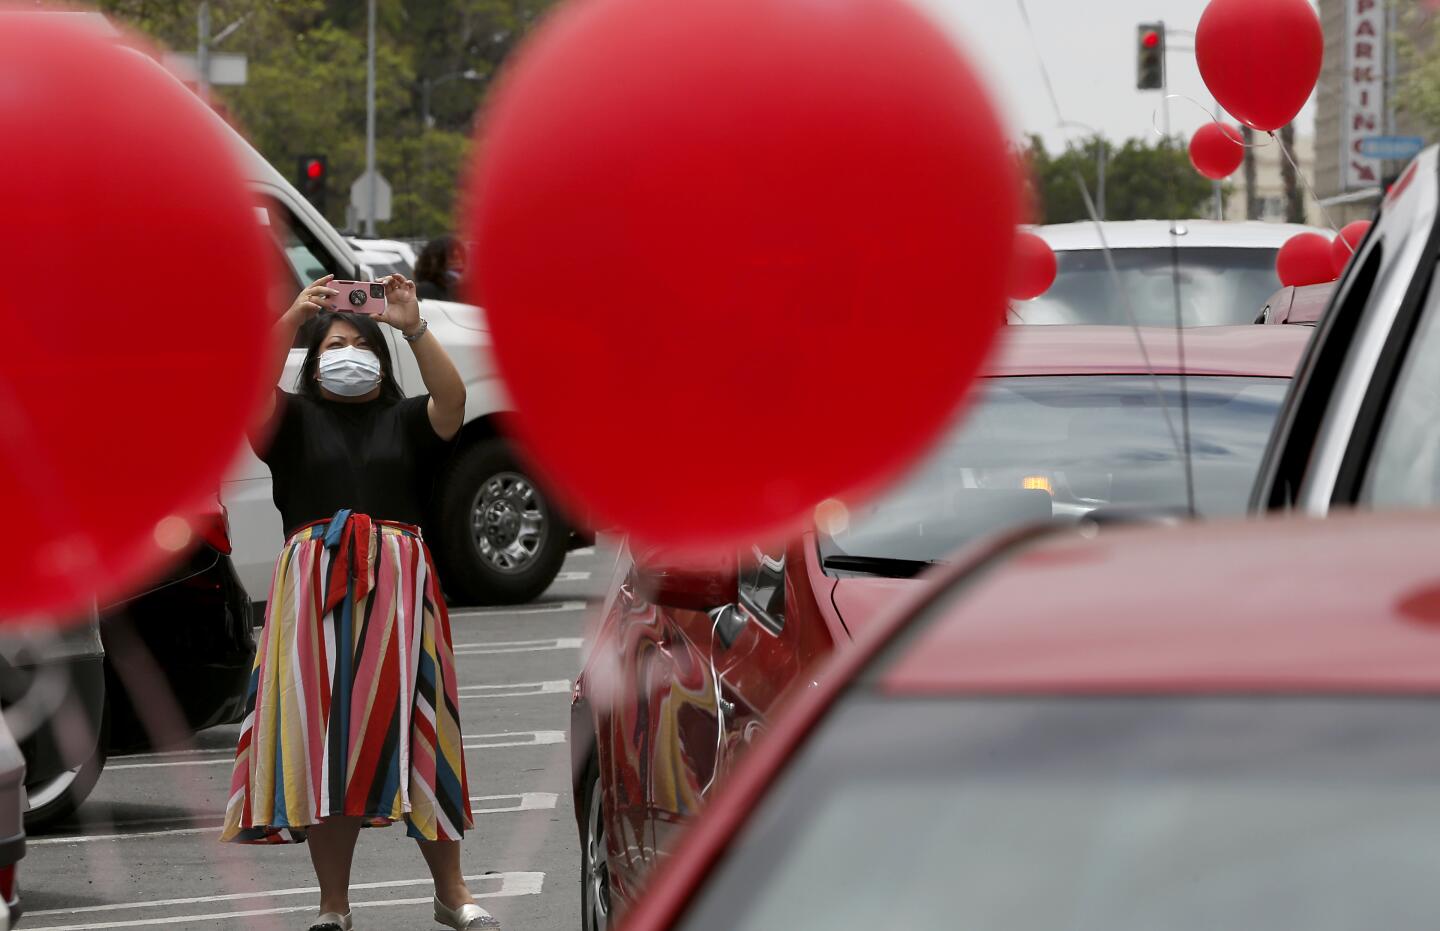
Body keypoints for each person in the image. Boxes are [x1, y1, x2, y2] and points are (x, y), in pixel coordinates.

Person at [221, 274, 499, 931]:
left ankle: (451, 891)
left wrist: (413, 325)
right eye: (334, 344)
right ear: (313, 362)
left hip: (400, 598)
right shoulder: (289, 421)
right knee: (327, 746)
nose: (348, 351)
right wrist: (293, 314)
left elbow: (453, 401)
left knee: (424, 736)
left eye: (360, 342)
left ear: (381, 356)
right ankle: (332, 905)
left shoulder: (406, 418)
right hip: (312, 601)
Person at [415, 235, 466, 301]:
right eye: (451, 257)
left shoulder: (463, 289)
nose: (459, 262)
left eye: (461, 256)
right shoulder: (426, 289)